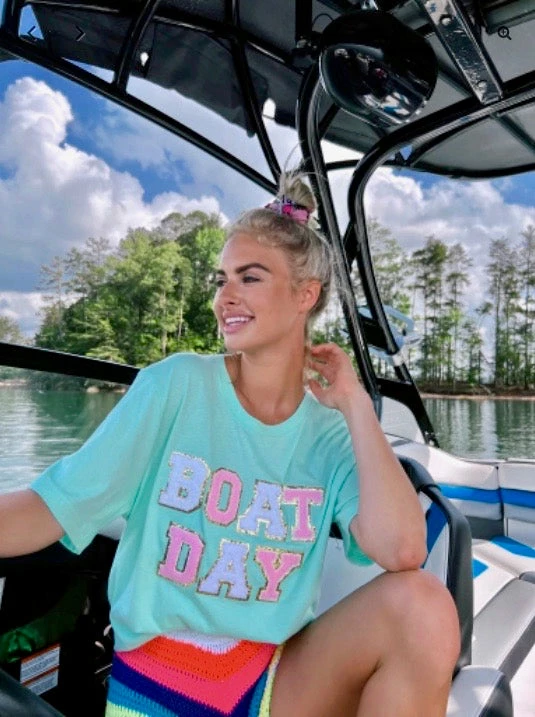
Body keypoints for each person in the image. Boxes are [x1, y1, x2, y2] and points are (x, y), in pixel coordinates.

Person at [0, 173, 460, 716]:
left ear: (305, 294)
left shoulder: (331, 432)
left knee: (423, 608)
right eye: (222, 280)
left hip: (272, 678)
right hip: (158, 680)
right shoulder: (176, 386)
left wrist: (357, 405)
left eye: (250, 277)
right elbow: (53, 506)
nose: (226, 297)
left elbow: (404, 552)